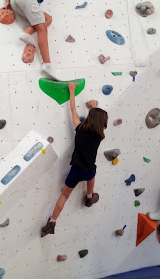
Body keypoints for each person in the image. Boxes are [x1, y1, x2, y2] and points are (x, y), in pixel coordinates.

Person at [41, 82, 108, 237]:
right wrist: (93, 106)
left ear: (89, 118)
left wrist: (72, 91)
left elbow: (73, 110)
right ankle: (89, 197)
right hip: (89, 170)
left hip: (76, 171)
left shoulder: (80, 129)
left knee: (64, 195)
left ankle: (52, 222)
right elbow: (98, 120)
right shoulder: (100, 136)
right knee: (93, 174)